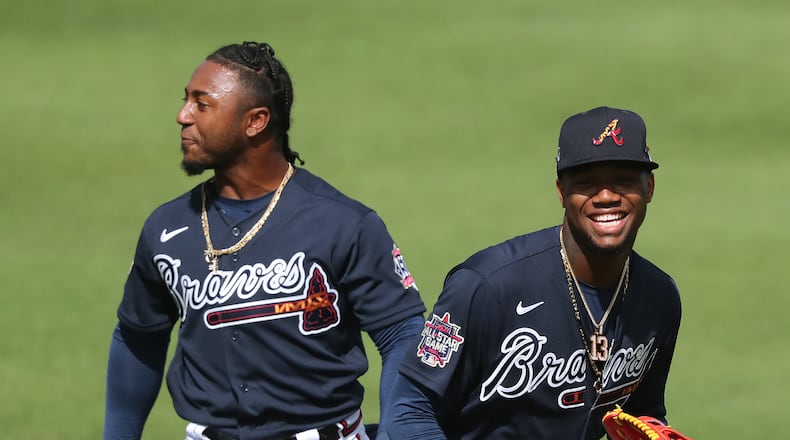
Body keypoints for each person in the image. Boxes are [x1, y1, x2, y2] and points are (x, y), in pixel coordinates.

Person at [103, 41, 426, 440]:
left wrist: (404, 430)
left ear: (255, 121)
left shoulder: (344, 224)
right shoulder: (167, 228)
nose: (182, 116)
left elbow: (403, 334)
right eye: (186, 100)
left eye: (202, 104)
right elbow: (138, 338)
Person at [381, 106, 682, 439]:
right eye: (587, 184)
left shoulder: (659, 299)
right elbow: (407, 410)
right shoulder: (488, 286)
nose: (607, 196)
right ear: (561, 192)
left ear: (650, 187)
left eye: (623, 181)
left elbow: (642, 420)